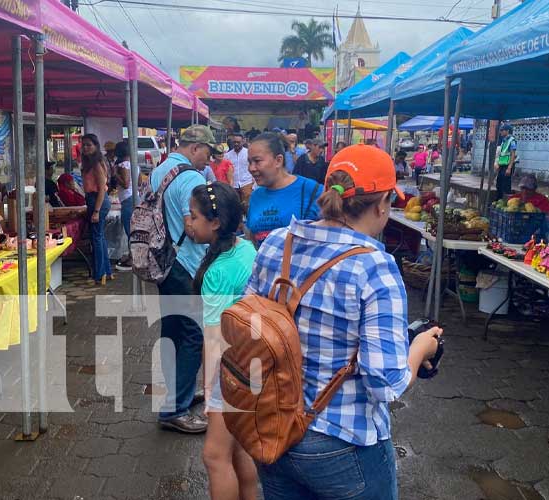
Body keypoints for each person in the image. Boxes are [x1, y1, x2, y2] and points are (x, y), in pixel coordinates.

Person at [246, 144, 443, 499]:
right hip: (342, 442)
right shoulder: (374, 267)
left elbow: (249, 325)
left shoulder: (278, 243)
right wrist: (419, 349)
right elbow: (385, 382)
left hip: (272, 426)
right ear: (382, 203)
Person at [188, 182, 258, 500]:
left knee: (215, 457)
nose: (188, 222)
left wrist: (208, 389)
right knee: (241, 448)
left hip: (232, 372)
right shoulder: (245, 248)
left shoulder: (217, 272)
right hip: (255, 363)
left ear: (215, 223)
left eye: (193, 216)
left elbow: (213, 338)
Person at [152, 125, 218, 434]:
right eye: (207, 151)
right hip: (186, 264)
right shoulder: (192, 177)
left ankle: (178, 394)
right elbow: (193, 226)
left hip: (164, 262)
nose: (209, 159)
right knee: (192, 335)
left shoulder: (160, 170)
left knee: (173, 331)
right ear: (194, 147)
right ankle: (175, 408)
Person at [246, 133, 323, 246]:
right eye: (249, 162)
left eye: (257, 161)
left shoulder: (311, 190)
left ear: (278, 160)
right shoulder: (256, 196)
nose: (251, 168)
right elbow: (252, 236)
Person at [81, 134, 113, 285]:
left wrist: (96, 211)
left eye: (89, 145)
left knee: (97, 237)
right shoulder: (89, 163)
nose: (85, 148)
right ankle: (106, 271)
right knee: (99, 236)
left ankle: (99, 274)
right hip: (93, 199)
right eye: (84, 145)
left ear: (96, 146)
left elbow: (101, 189)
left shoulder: (97, 164)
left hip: (98, 200)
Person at [113, 142, 134, 271]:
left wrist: (115, 175)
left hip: (127, 199)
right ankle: (132, 255)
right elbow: (138, 182)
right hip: (134, 197)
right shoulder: (134, 164)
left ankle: (132, 258)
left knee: (129, 229)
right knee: (132, 229)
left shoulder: (123, 165)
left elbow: (125, 184)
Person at [224, 133, 253, 211]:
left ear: (243, 141)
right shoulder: (227, 155)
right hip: (234, 185)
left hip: (247, 183)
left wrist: (254, 183)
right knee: (235, 208)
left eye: (238, 142)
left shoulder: (249, 153)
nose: (236, 144)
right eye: (234, 142)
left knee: (248, 208)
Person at [495, 124, 518, 200]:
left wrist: (509, 167)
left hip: (508, 165)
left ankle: (506, 202)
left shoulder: (512, 140)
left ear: (507, 131)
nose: (500, 132)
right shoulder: (504, 140)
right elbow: (502, 154)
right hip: (502, 165)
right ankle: (499, 200)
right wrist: (498, 163)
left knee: (506, 185)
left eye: (502, 130)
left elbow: (512, 154)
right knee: (499, 184)